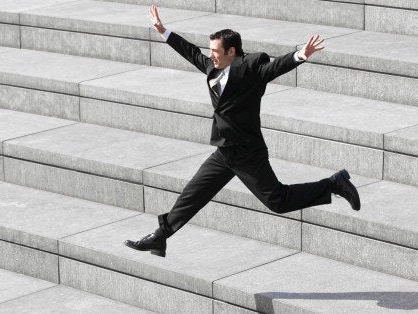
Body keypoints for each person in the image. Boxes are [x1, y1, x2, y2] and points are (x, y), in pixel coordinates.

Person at [124, 5, 361, 257]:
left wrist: (300, 55)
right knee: (193, 194)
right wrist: (164, 31)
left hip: (247, 152)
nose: (211, 55)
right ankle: (160, 237)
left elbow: (275, 67)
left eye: (215, 51)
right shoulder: (212, 68)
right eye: (211, 50)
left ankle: (334, 184)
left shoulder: (251, 69)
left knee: (278, 201)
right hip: (225, 151)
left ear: (231, 51)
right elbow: (191, 52)